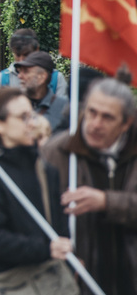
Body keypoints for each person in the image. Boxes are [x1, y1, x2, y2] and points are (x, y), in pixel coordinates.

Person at [0, 89, 73, 290]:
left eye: (31, 116)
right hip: (12, 284)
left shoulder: (45, 170)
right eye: (23, 117)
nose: (32, 123)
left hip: (51, 282)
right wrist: (45, 249)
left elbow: (59, 225)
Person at [41, 75, 137, 295]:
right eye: (92, 112)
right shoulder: (57, 152)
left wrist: (107, 202)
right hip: (76, 280)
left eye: (107, 117)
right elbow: (34, 213)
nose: (95, 124)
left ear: (126, 123)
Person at [0, 29, 69, 97]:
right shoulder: (1, 80)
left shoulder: (56, 79)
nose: (21, 60)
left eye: (26, 55)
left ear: (37, 49)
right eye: (18, 55)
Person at [15, 51, 69, 131]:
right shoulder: (13, 106)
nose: (19, 76)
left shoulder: (65, 108)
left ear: (42, 77)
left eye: (26, 71)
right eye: (19, 71)